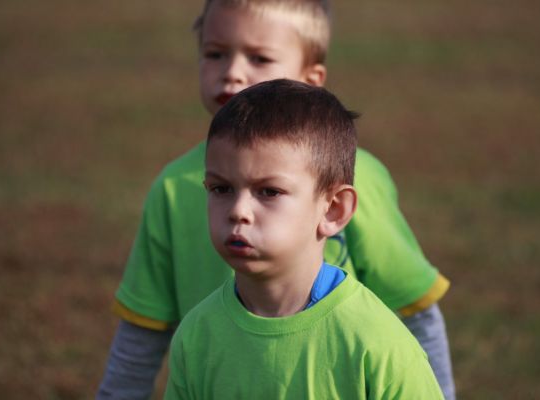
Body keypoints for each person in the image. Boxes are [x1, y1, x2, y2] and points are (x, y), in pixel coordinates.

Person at [97, 1, 455, 399]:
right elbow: (142, 334)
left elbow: (415, 313)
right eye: (215, 53)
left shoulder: (361, 180)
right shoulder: (171, 189)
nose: (232, 72)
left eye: (259, 57)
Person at [165, 78, 444, 399]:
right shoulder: (197, 334)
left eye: (269, 191)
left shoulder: (376, 342)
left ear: (333, 210)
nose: (238, 211)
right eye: (221, 189)